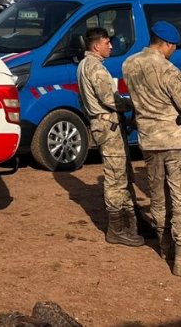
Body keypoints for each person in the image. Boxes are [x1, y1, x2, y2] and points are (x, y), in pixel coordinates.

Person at [123, 21, 181, 277]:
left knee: (158, 196)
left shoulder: (129, 64)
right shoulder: (169, 71)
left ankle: (164, 247)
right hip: (174, 140)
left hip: (148, 139)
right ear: (168, 44)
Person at [77, 27, 142, 247]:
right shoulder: (96, 68)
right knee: (116, 178)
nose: (111, 46)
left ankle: (131, 223)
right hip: (109, 126)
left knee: (122, 173)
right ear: (96, 46)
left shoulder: (84, 65)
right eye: (107, 42)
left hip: (104, 124)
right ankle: (117, 228)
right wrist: (133, 104)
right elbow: (109, 99)